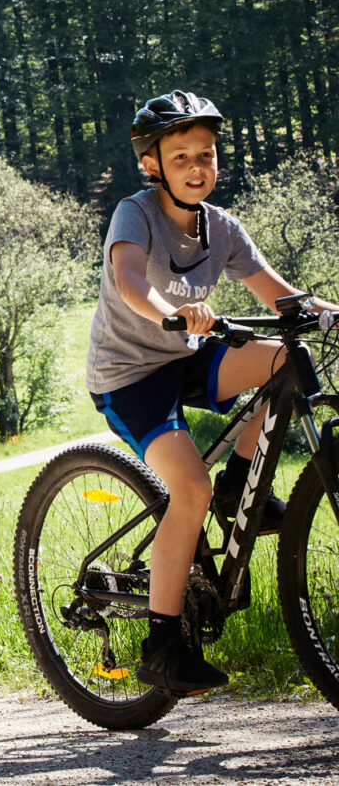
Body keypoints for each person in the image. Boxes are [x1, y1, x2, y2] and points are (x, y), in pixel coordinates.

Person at [87, 90, 339, 696]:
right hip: (131, 374)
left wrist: (326, 311)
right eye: (181, 158)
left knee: (284, 357)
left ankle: (239, 485)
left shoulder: (221, 227)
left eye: (207, 154)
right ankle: (163, 644)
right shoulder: (135, 214)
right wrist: (173, 312)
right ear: (152, 165)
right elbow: (127, 282)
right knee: (187, 486)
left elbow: (279, 296)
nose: (198, 167)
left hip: (189, 359)